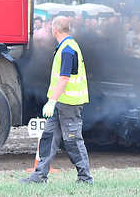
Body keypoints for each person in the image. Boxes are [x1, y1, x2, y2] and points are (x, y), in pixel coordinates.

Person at [19, 16, 92, 185]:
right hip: (61, 102)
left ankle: (85, 178)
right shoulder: (67, 46)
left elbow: (64, 78)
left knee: (73, 140)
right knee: (48, 137)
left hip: (69, 104)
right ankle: (38, 177)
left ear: (54, 31)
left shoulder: (67, 49)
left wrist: (51, 101)